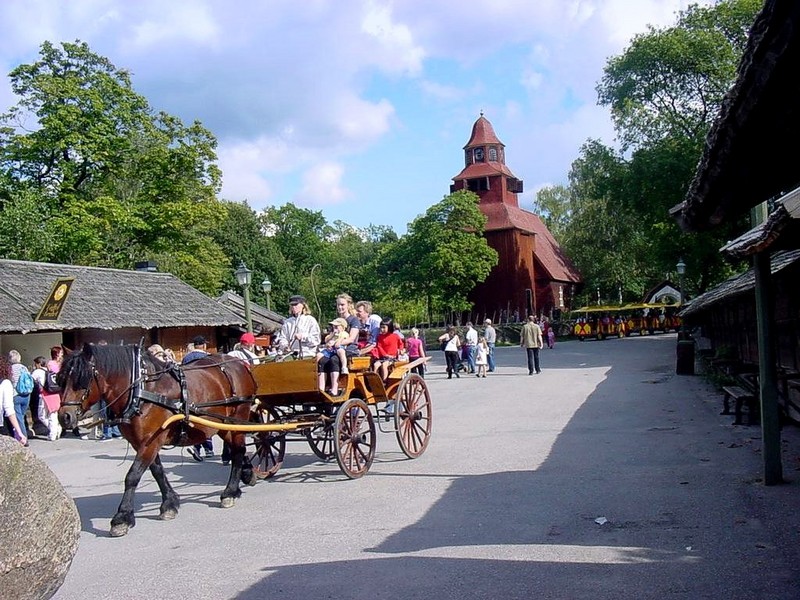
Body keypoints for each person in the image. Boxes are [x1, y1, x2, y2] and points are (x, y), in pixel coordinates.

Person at [182, 336, 214, 460]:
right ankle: (208, 448)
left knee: (192, 421)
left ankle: (197, 447)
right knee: (206, 420)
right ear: (203, 345)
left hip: (189, 392)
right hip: (205, 392)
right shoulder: (207, 357)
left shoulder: (186, 358)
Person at [316, 318, 349, 395]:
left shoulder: (344, 333)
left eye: (337, 326)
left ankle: (334, 389)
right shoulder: (332, 334)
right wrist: (332, 336)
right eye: (334, 326)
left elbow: (342, 339)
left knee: (335, 359)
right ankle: (321, 389)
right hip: (330, 350)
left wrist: (336, 342)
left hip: (338, 349)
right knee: (320, 358)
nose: (335, 328)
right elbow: (326, 340)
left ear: (342, 327)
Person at [32, 356, 62, 441]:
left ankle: (53, 431)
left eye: (35, 364)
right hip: (54, 394)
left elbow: (31, 380)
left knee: (41, 415)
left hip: (44, 395)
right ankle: (55, 431)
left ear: (38, 364)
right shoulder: (49, 371)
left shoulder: (37, 371)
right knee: (53, 414)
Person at [1, 355, 27, 446]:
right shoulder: (5, 383)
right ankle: (24, 433)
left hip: (16, 396)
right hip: (24, 395)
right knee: (20, 417)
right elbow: (9, 410)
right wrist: (19, 433)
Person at [8, 350, 33, 441]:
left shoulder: (10, 369)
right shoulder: (24, 368)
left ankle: (23, 438)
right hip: (26, 395)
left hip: (15, 395)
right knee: (21, 416)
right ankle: (19, 434)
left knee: (18, 418)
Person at [335, 293, 362, 373]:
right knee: (323, 359)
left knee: (334, 359)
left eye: (342, 305)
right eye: (338, 305)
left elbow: (351, 339)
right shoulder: (336, 321)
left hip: (350, 349)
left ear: (348, 305)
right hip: (336, 348)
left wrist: (338, 343)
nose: (340, 307)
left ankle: (338, 383)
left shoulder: (354, 320)